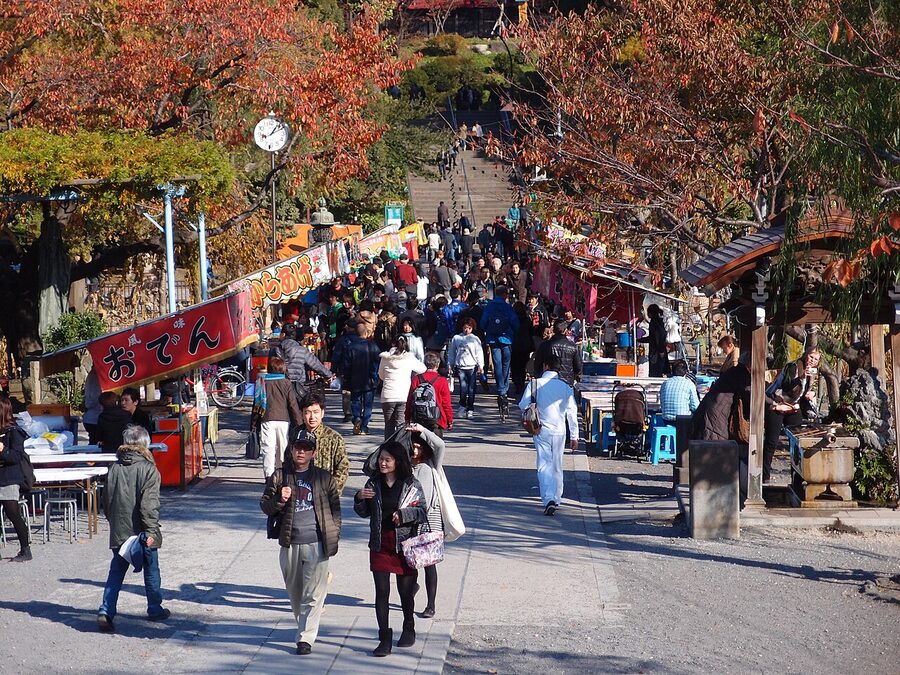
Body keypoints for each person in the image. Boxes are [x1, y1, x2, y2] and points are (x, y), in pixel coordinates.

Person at [260, 429, 342, 655]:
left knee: (313, 595)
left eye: (307, 448)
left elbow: (335, 510)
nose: (302, 452)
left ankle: (306, 637)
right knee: (295, 593)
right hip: (289, 542)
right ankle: (304, 624)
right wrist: (280, 499)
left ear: (313, 453)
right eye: (298, 447)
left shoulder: (324, 478)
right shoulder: (280, 476)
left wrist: (334, 535)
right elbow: (265, 506)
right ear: (292, 449)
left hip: (316, 542)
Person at [354, 442, 427, 657]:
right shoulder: (373, 483)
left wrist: (404, 515)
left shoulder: (411, 484)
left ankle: (409, 626)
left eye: (387, 459)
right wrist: (359, 499)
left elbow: (423, 511)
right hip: (380, 542)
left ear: (397, 461)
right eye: (380, 459)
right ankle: (384, 637)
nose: (382, 463)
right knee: (381, 592)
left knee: (405, 591)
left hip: (404, 545)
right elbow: (363, 512)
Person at [97, 424, 169, 631]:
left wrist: (114, 522)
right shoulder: (149, 469)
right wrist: (152, 530)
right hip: (142, 530)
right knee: (151, 569)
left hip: (120, 528)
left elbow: (107, 501)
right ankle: (154, 608)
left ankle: (106, 610)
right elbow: (149, 505)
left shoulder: (115, 468)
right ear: (146, 444)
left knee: (116, 571)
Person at [518, 354, 578, 516]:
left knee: (544, 464)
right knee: (557, 464)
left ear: (545, 366)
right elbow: (572, 412)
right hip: (560, 430)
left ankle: (548, 498)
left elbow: (523, 404)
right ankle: (557, 497)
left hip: (540, 429)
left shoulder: (535, 384)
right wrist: (575, 435)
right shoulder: (566, 387)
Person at [763, 348, 821, 483]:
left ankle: (797, 477)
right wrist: (801, 377)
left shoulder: (813, 374)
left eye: (816, 359)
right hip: (778, 403)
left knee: (797, 441)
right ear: (806, 355)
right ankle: (765, 475)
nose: (812, 361)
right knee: (772, 441)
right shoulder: (793, 366)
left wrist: (810, 394)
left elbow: (802, 392)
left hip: (793, 407)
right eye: (811, 357)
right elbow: (787, 386)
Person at [407, 422, 445, 618]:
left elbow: (440, 445)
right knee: (409, 562)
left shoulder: (432, 465)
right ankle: (412, 586)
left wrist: (422, 430)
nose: (415, 451)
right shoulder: (405, 468)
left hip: (430, 520)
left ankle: (431, 604)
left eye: (419, 447)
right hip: (410, 520)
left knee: (430, 564)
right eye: (412, 447)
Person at [255, 356, 303, 478]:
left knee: (268, 449)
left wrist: (254, 423)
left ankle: (269, 476)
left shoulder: (262, 382)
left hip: (267, 419)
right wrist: (299, 423)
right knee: (283, 448)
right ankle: (283, 474)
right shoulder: (286, 383)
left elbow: (257, 403)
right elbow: (292, 404)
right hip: (283, 420)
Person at [296, 392, 349, 494]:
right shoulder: (295, 435)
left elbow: (343, 468)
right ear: (302, 413)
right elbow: (288, 462)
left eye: (316, 412)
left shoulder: (334, 438)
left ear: (322, 413)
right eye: (307, 412)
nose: (312, 417)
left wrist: (333, 492)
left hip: (325, 494)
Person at [0, 396, 32, 561]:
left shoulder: (14, 432)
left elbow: (16, 457)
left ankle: (25, 549)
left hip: (9, 477)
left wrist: (3, 450)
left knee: (12, 513)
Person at [378, 336, 427, 439]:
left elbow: (381, 375)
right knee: (401, 425)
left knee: (389, 425)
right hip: (404, 395)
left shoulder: (385, 358)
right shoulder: (409, 358)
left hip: (388, 395)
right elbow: (422, 369)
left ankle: (388, 449)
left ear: (392, 344)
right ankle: (400, 448)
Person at [480, 286, 520, 407]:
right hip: (506, 338)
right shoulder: (508, 307)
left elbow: (483, 322)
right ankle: (504, 388)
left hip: (493, 338)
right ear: (505, 294)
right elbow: (515, 322)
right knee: (505, 364)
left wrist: (487, 330)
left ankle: (500, 388)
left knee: (497, 363)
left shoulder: (490, 306)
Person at [340, 321, 381, 435]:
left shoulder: (350, 347)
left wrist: (346, 378)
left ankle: (356, 418)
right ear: (366, 333)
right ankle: (364, 426)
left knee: (355, 401)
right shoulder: (372, 345)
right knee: (368, 404)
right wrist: (376, 377)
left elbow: (346, 365)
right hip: (369, 380)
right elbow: (377, 363)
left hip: (355, 379)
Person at [279, 324, 334, 401]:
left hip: (280, 387)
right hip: (298, 387)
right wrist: (329, 375)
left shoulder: (276, 350)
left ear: (283, 334)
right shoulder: (302, 350)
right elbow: (316, 365)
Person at [405, 352, 453, 436]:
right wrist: (449, 420)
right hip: (437, 420)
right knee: (436, 446)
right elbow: (446, 404)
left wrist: (407, 417)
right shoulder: (442, 381)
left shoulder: (416, 379)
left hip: (419, 419)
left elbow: (410, 400)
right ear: (437, 365)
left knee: (419, 447)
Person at [447, 318, 484, 419]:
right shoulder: (457, 338)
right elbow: (452, 352)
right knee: (463, 389)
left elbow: (479, 353)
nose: (466, 330)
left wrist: (481, 366)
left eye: (469, 328)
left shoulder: (475, 339)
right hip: (461, 367)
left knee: (471, 389)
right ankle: (462, 405)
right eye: (465, 328)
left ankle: (470, 408)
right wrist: (450, 364)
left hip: (472, 367)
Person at [533, 319, 582, 388]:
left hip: (547, 382)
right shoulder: (573, 347)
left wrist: (539, 378)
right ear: (565, 330)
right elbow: (578, 368)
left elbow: (537, 365)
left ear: (553, 330)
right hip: (567, 382)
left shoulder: (544, 345)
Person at [641, 304, 670, 377]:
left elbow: (657, 337)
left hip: (657, 351)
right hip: (660, 349)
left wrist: (661, 351)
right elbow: (652, 337)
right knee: (658, 371)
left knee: (655, 371)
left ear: (650, 313)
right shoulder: (659, 321)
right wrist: (641, 340)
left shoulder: (654, 323)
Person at [83, 367, 103, 444]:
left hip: (92, 417)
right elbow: (93, 398)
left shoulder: (94, 374)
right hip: (94, 418)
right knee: (95, 442)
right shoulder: (95, 375)